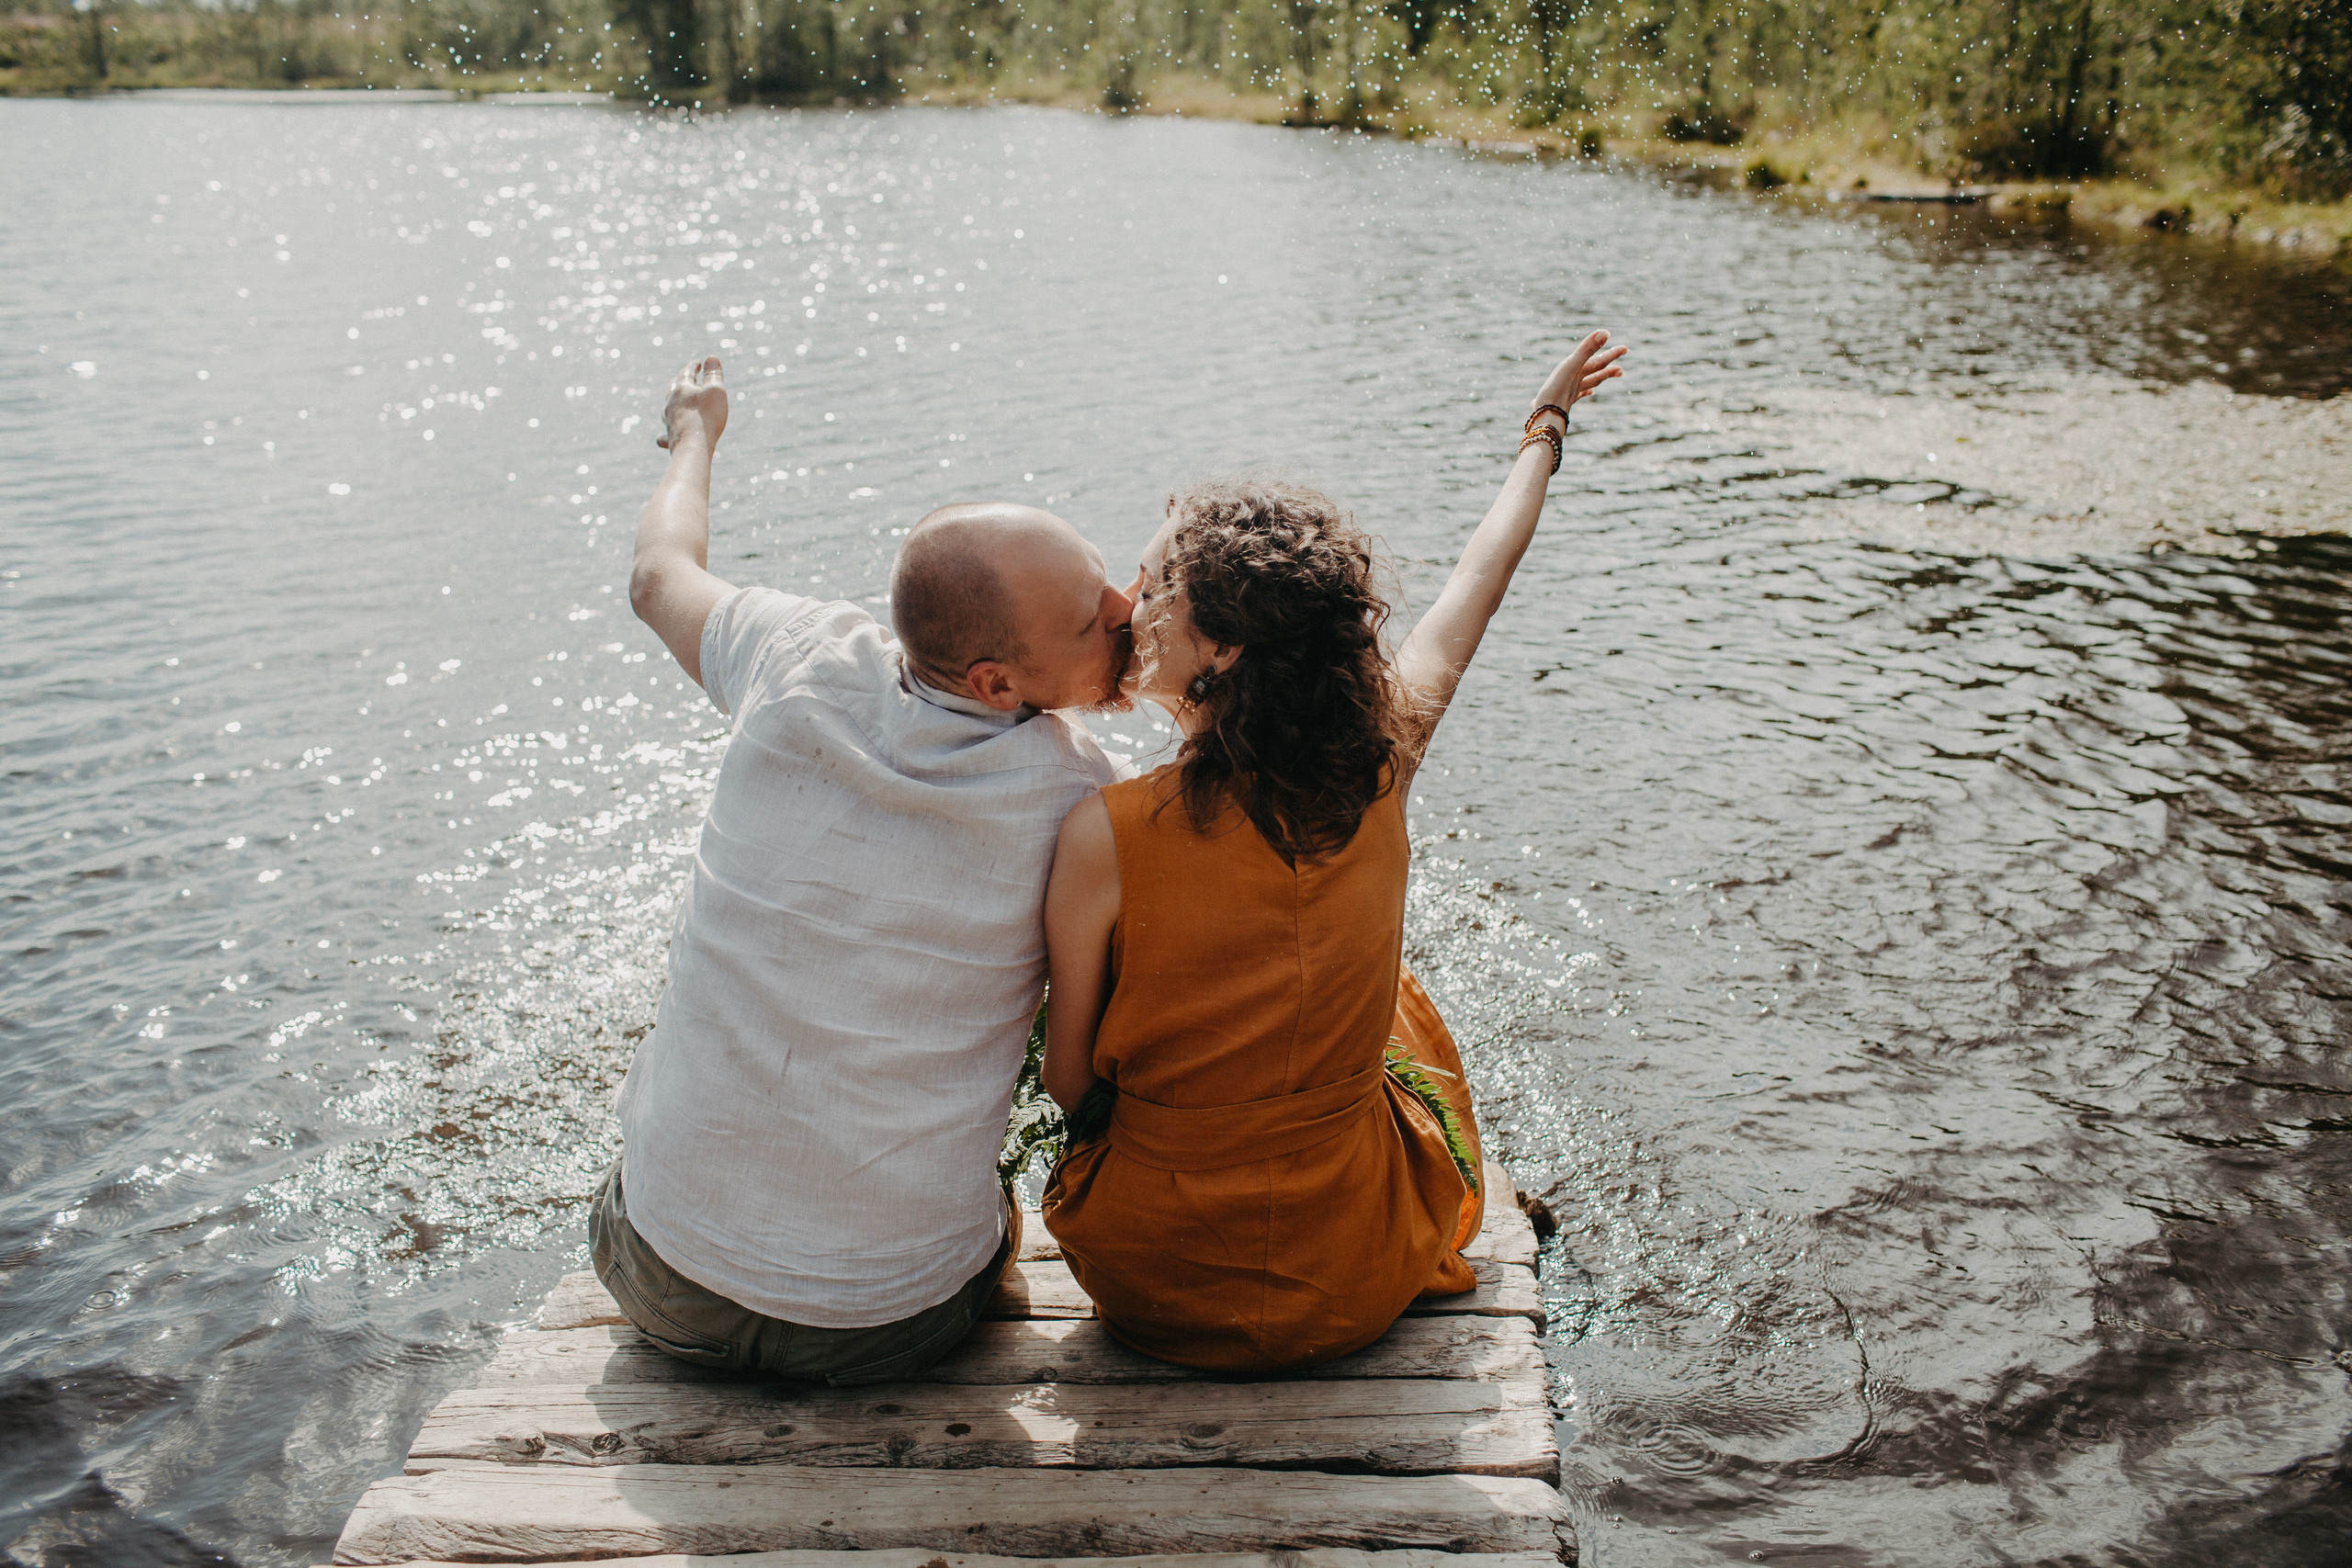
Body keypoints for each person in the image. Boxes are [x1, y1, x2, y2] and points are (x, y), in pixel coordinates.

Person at [1039, 331, 1629, 1373]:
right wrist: (1544, 431)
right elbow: (1479, 579)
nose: (1128, 606)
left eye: (1148, 584)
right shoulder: (1379, 763)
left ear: (1218, 648)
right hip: (1351, 1272)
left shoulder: (1106, 831)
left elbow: (1071, 1078)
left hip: (1154, 1280)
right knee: (1389, 1002)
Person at [594, 355, 1135, 1383]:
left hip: (660, 1277)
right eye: (1092, 617)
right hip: (889, 1326)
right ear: (995, 681)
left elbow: (654, 572)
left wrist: (696, 429)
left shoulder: (785, 651)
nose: (1125, 606)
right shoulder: (1079, 801)